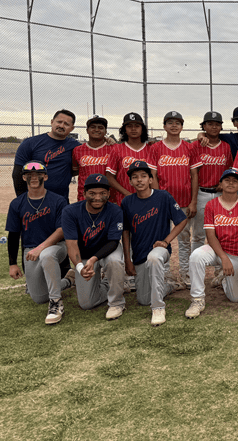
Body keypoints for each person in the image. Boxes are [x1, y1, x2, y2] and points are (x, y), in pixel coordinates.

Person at [120, 161, 189, 326]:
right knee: (143, 299)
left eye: (144, 176)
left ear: (151, 179)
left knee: (154, 258)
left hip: (160, 250)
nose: (139, 180)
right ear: (130, 182)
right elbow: (126, 232)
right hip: (139, 254)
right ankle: (168, 286)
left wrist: (166, 241)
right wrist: (128, 260)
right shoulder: (127, 202)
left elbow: (182, 220)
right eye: (135, 177)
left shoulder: (163, 196)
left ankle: (158, 307)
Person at [5, 161, 72, 324]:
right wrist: (12, 263)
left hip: (57, 247)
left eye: (38, 175)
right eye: (29, 175)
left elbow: (61, 230)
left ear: (45, 176)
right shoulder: (17, 203)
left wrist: (40, 248)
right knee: (38, 297)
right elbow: (13, 235)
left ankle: (56, 303)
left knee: (47, 255)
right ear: (23, 178)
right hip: (32, 251)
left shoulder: (58, 200)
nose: (34, 178)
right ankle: (69, 280)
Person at [186, 168, 238, 318]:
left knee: (235, 298)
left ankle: (225, 281)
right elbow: (210, 236)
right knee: (196, 256)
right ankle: (197, 299)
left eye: (235, 181)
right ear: (221, 184)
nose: (231, 183)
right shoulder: (211, 205)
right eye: (227, 180)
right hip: (217, 250)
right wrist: (224, 258)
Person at [62, 174, 127, 321]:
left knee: (114, 261)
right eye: (92, 193)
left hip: (107, 250)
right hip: (84, 255)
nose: (97, 197)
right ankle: (109, 283)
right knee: (87, 303)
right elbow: (71, 244)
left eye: (102, 193)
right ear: (84, 193)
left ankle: (116, 303)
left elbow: (113, 242)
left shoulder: (115, 210)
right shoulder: (70, 211)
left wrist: (93, 259)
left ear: (109, 194)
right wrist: (79, 267)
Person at [150, 111, 198, 284]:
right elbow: (153, 175)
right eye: (170, 122)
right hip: (164, 202)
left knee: (184, 239)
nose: (174, 125)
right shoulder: (155, 148)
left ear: (182, 126)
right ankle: (166, 273)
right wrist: (157, 198)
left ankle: (185, 272)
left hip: (184, 201)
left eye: (177, 122)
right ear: (164, 126)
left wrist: (193, 201)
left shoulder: (189, 147)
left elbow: (194, 175)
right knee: (163, 238)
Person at [191, 111, 234, 287]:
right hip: (202, 193)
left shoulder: (225, 146)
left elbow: (230, 170)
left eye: (217, 124)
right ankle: (194, 273)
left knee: (221, 234)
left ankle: (219, 272)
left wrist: (223, 184)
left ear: (221, 126)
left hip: (220, 194)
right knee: (199, 235)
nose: (214, 127)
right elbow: (194, 173)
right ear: (204, 126)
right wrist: (193, 200)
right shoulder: (196, 146)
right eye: (210, 124)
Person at [13, 109, 81, 200]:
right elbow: (17, 174)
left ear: (72, 128)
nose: (61, 126)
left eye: (66, 124)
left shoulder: (75, 146)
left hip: (61, 201)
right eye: (59, 122)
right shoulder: (30, 143)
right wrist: (23, 200)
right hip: (34, 199)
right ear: (52, 122)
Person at [106, 112, 157, 205]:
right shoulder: (117, 149)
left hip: (147, 201)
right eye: (129, 126)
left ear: (142, 129)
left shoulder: (151, 149)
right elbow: (109, 176)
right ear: (124, 129)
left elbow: (154, 176)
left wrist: (155, 198)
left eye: (137, 126)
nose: (133, 129)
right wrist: (127, 194)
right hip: (124, 201)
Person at [72, 115, 113, 202]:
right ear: (87, 130)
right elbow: (75, 170)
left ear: (105, 131)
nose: (97, 130)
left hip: (109, 197)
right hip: (85, 197)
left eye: (100, 127)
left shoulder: (114, 149)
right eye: (93, 127)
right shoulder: (77, 150)